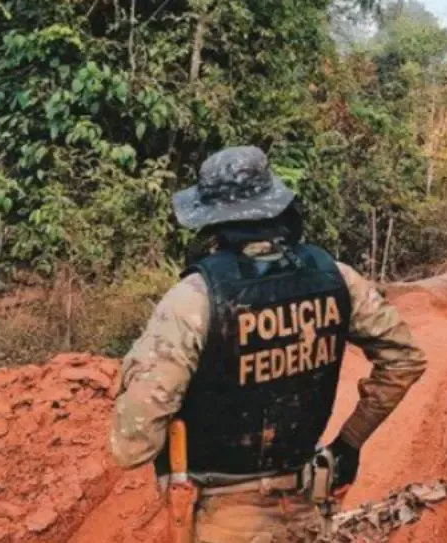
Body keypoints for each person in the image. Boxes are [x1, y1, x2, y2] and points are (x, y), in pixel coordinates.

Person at [109, 145, 427, 543]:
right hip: (305, 510)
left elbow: (131, 446)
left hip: (221, 520)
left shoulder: (195, 298)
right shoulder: (337, 278)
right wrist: (349, 443)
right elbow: (406, 358)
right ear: (274, 207)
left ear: (212, 222)